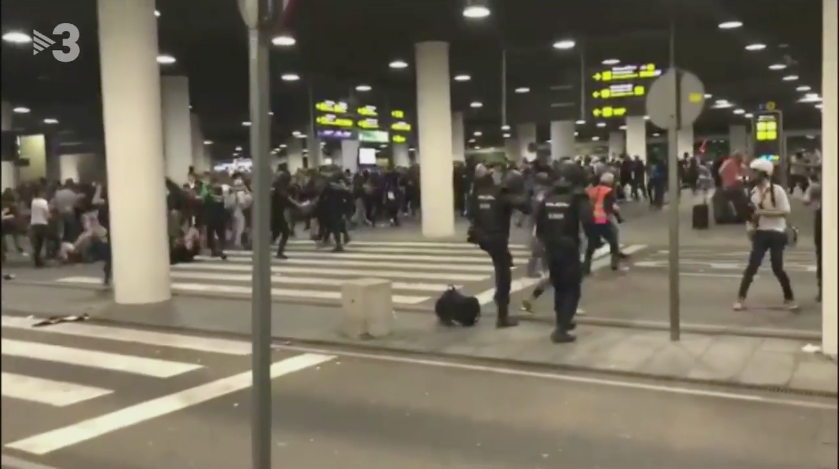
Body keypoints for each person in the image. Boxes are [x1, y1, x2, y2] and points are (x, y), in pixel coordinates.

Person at [533, 165, 594, 343]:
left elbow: (539, 223)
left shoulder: (550, 196)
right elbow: (589, 221)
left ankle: (562, 321)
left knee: (560, 287)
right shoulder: (578, 197)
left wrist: (546, 243)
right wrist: (592, 241)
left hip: (551, 247)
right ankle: (561, 329)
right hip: (569, 247)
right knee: (573, 289)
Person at [467, 164, 529, 328]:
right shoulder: (501, 193)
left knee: (502, 263)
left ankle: (501, 304)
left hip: (482, 237)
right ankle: (502, 315)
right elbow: (525, 207)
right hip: (497, 237)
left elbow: (470, 214)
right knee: (503, 273)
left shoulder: (476, 192)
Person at [734, 158, 797, 311]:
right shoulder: (753, 193)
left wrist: (764, 212)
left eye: (754, 172)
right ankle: (740, 299)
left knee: (777, 267)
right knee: (752, 266)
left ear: (763, 174)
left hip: (777, 232)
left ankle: (789, 298)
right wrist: (750, 226)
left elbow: (786, 211)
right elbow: (750, 214)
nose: (751, 174)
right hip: (760, 233)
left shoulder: (777, 190)